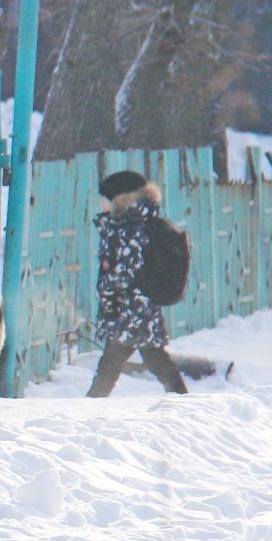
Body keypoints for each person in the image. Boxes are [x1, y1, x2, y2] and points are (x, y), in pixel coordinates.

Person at [87, 170, 188, 398]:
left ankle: (90, 407)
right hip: (138, 307)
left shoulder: (129, 227)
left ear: (120, 198)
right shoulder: (133, 222)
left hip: (131, 309)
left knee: (112, 365)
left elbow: (126, 269)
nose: (101, 202)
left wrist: (106, 287)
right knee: (152, 359)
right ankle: (183, 399)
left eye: (105, 197)